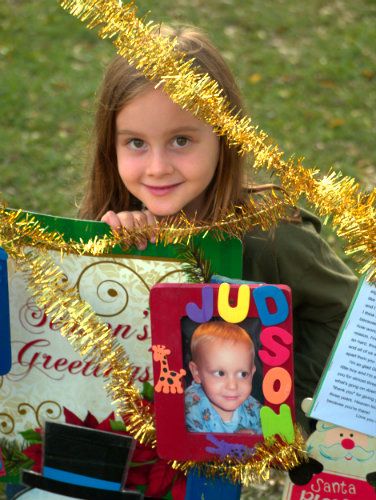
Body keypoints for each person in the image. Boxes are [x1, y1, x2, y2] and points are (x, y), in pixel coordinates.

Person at [79, 25, 358, 431]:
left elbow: (349, 318)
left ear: (225, 138)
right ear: (112, 147)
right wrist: (109, 252)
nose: (157, 168)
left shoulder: (271, 238)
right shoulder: (112, 228)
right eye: (136, 143)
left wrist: (273, 387)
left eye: (180, 140)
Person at [185, 321, 262, 433]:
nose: (232, 386)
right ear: (197, 372)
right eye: (220, 373)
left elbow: (271, 443)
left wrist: (254, 439)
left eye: (243, 374)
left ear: (252, 372)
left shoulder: (254, 409)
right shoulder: (189, 408)